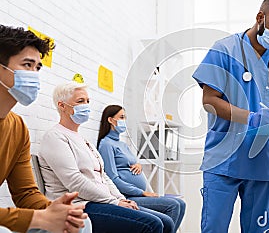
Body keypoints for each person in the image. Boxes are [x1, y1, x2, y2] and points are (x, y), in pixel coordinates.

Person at [192, 0, 269, 232]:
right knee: (214, 228)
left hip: (263, 160)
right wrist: (251, 118)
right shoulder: (224, 50)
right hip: (223, 159)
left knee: (261, 230)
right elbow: (210, 101)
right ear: (260, 17)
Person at [38, 82, 167, 233]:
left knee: (166, 222)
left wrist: (120, 199)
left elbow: (103, 176)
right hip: (79, 205)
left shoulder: (83, 140)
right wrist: (114, 201)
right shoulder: (55, 137)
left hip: (99, 201)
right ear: (62, 106)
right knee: (152, 224)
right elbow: (75, 181)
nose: (86, 106)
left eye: (87, 101)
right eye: (80, 101)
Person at [0, 25, 90, 233]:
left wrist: (55, 210)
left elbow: (25, 194)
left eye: (37, 68)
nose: (34, 74)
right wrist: (38, 218)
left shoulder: (18, 128)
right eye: (27, 65)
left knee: (80, 223)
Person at [97, 105, 186, 233]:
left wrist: (138, 164)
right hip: (127, 196)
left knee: (180, 203)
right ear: (110, 120)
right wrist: (141, 192)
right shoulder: (106, 144)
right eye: (121, 117)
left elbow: (131, 162)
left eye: (125, 118)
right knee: (173, 205)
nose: (124, 121)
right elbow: (113, 178)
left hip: (137, 194)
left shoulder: (122, 144)